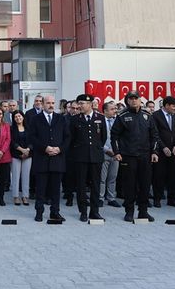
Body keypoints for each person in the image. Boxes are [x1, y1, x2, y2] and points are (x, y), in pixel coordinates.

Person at [110, 90, 160, 223]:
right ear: (127, 101)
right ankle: (129, 211)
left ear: (140, 100)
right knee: (129, 185)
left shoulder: (147, 116)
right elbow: (114, 135)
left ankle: (143, 211)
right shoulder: (122, 116)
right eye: (130, 99)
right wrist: (117, 152)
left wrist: (154, 152)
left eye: (135, 98)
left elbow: (154, 136)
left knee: (145, 185)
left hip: (145, 156)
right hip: (128, 156)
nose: (133, 101)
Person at [28, 94, 69, 222]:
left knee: (56, 189)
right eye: (48, 103)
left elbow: (67, 137)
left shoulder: (61, 119)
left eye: (52, 103)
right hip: (42, 159)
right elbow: (32, 137)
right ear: (42, 104)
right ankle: (39, 212)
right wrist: (44, 147)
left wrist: (60, 148)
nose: (51, 105)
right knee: (40, 188)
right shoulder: (35, 119)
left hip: (57, 159)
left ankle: (55, 212)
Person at [69, 94, 106, 222]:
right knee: (81, 185)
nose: (79, 106)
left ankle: (94, 211)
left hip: (96, 156)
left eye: (82, 103)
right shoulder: (74, 119)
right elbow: (72, 138)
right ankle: (83, 211)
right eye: (78, 103)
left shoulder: (100, 118)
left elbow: (103, 137)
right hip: (80, 157)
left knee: (96, 185)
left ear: (90, 104)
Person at [151, 96, 175, 208]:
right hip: (161, 151)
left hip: (174, 151)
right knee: (159, 176)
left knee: (173, 176)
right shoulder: (155, 116)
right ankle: (157, 198)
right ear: (167, 105)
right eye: (173, 107)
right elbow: (155, 134)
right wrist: (163, 147)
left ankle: (172, 199)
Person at [98, 101, 121, 208]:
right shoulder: (99, 121)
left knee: (113, 177)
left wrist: (117, 151)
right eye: (112, 109)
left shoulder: (118, 121)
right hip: (104, 152)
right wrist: (106, 149)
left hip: (116, 153)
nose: (115, 111)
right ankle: (100, 198)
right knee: (102, 178)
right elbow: (97, 139)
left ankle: (111, 198)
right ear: (105, 111)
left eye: (115, 109)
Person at [9, 110, 31, 206]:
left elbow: (32, 140)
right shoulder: (11, 129)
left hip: (28, 155)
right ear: (14, 119)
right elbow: (12, 142)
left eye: (20, 116)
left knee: (26, 176)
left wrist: (28, 150)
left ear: (23, 117)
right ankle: (16, 196)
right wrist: (22, 150)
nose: (18, 118)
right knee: (16, 176)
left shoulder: (29, 128)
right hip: (16, 155)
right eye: (16, 117)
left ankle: (25, 196)